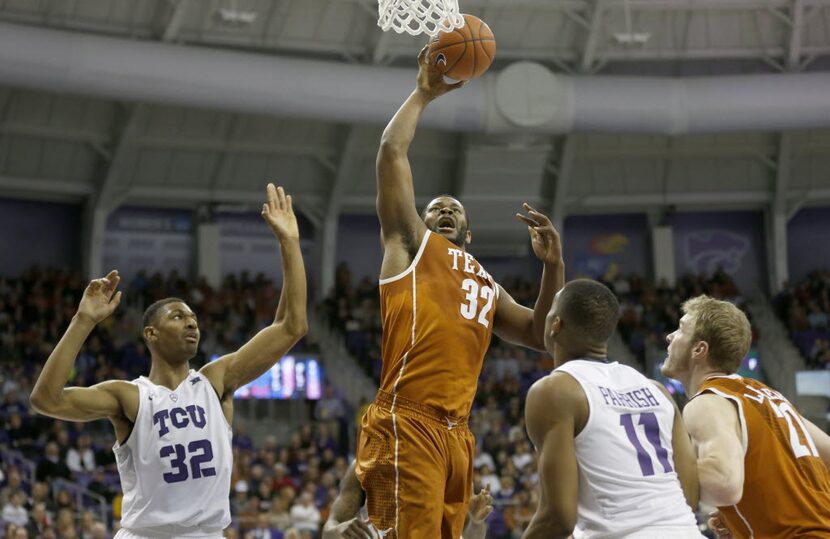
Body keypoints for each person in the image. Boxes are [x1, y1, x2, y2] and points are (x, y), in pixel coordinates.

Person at [358, 45, 564, 538]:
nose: (444, 211)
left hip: (458, 433)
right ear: (420, 221)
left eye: (454, 210)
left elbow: (542, 335)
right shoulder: (410, 244)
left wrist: (552, 266)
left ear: (469, 234)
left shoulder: (484, 282)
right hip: (408, 418)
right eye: (435, 208)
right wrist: (423, 94)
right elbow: (391, 152)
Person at [29, 184, 308, 539]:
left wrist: (289, 243)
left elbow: (292, 325)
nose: (191, 322)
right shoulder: (130, 396)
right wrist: (83, 320)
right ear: (151, 333)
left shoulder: (216, 380)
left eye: (193, 317)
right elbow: (46, 400)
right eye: (177, 316)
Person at [523, 279, 701, 538]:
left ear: (556, 325)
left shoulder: (554, 391)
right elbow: (689, 494)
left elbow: (558, 518)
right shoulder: (656, 390)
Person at [663, 295, 830, 538]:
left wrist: (651, 473)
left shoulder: (707, 402)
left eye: (680, 329)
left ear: (699, 349)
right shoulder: (771, 397)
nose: (669, 336)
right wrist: (745, 511)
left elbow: (723, 482)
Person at [323, 461, 492, 539]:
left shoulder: (452, 468)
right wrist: (337, 530)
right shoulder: (366, 464)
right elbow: (329, 530)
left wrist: (476, 522)